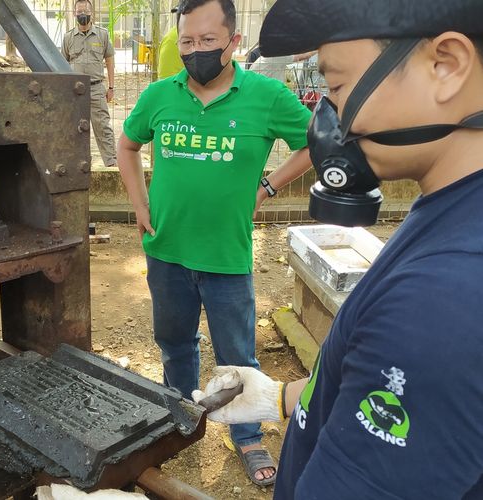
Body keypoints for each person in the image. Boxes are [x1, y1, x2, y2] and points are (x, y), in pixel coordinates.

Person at [191, 0, 483, 498]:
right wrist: (281, 397)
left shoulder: (441, 298)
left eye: (337, 87)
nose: (326, 115)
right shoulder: (452, 209)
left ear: (446, 66)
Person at [116, 0, 313, 486]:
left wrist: (267, 187)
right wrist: (140, 204)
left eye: (207, 41)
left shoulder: (265, 96)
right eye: (187, 42)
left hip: (226, 256)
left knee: (236, 354)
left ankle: (246, 434)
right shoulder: (160, 95)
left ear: (233, 43)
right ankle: (177, 416)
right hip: (166, 252)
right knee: (174, 342)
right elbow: (127, 143)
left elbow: (317, 142)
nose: (196, 50)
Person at [62, 0, 117, 168]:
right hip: (75, 91)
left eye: (85, 10)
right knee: (75, 128)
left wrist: (111, 87)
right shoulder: (68, 37)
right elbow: (62, 64)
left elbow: (109, 61)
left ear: (92, 13)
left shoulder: (102, 34)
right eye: (79, 11)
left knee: (103, 126)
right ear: (74, 14)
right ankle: (76, 164)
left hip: (96, 88)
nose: (82, 14)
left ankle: (111, 162)